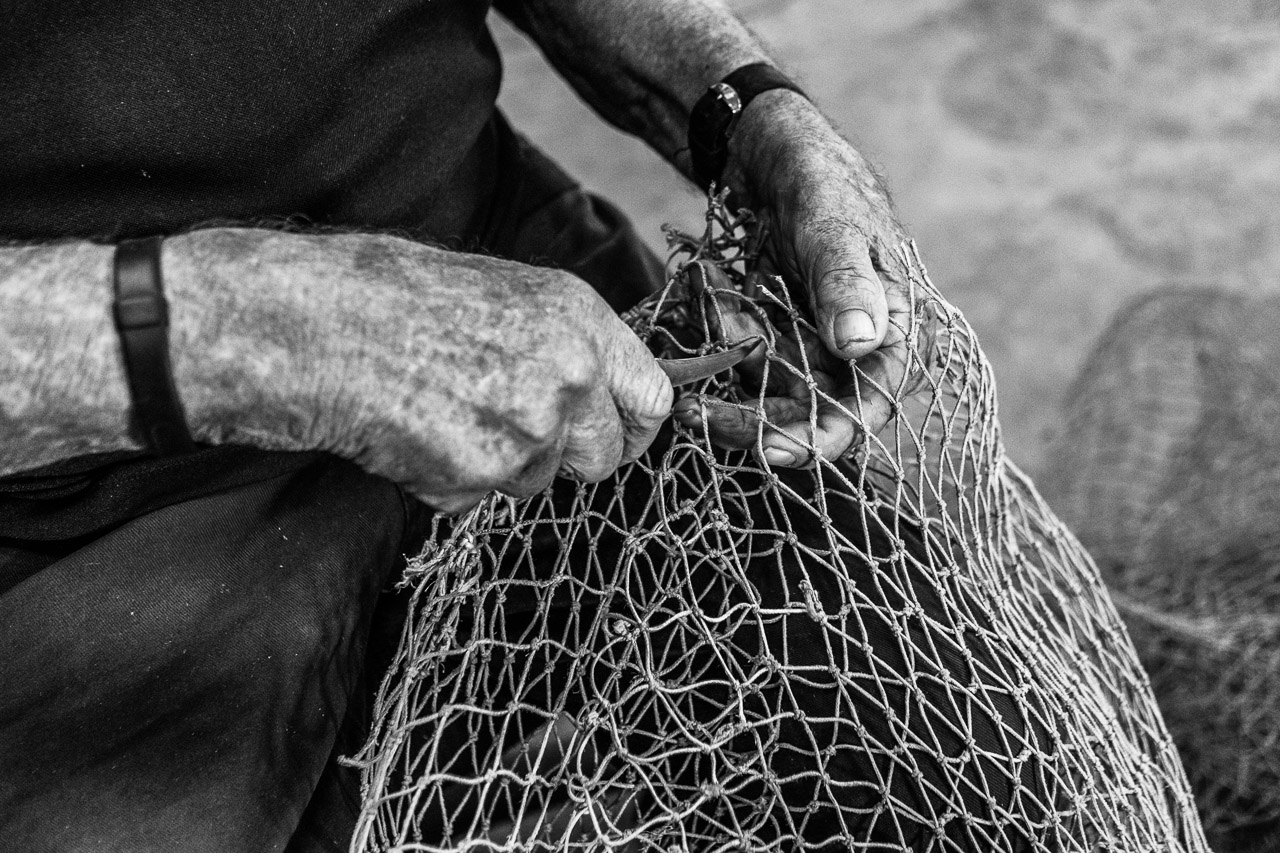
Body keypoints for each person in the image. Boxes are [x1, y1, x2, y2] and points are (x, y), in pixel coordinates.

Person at [0, 1, 926, 849]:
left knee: (900, 721)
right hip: (83, 490)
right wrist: (267, 332)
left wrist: (740, 101)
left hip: (511, 279)